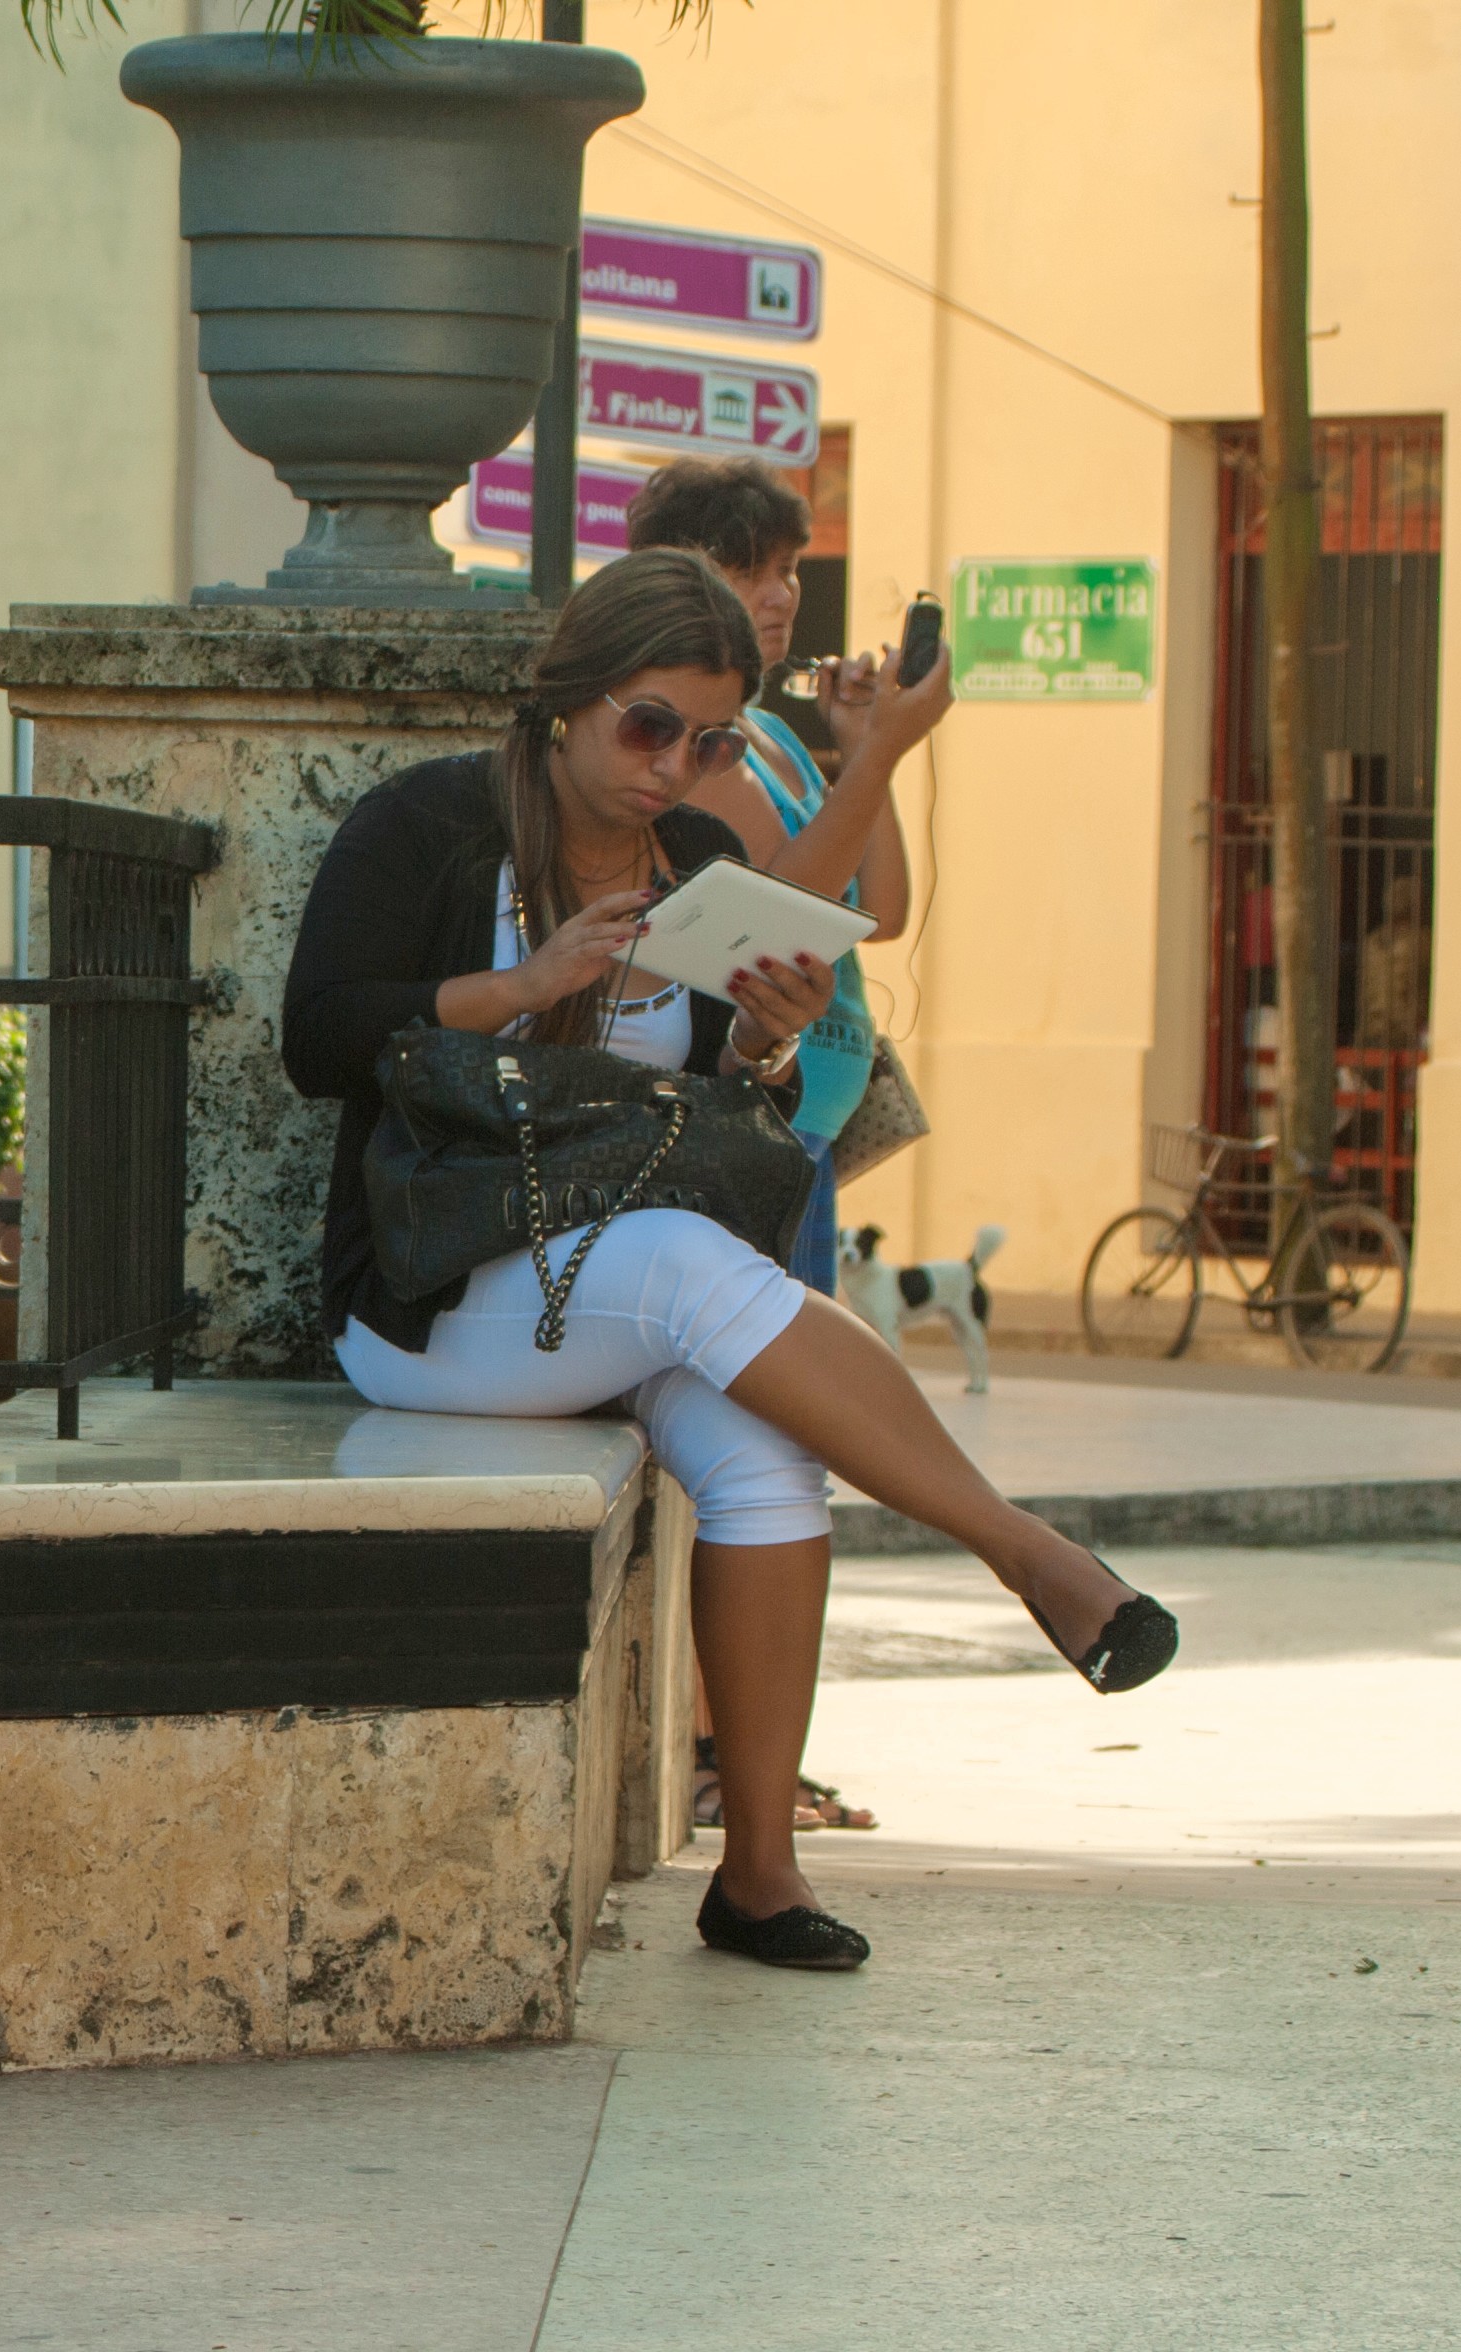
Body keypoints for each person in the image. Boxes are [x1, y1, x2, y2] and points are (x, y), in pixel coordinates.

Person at [280, 547, 1179, 1974]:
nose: (671, 766)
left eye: (707, 740)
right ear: (565, 699)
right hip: (436, 1302)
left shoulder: (697, 863)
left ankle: (757, 1876)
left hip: (617, 1294)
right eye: (648, 727)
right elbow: (317, 1038)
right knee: (693, 1266)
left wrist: (764, 1029)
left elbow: (690, 1102)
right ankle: (1023, 1552)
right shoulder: (432, 827)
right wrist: (523, 987)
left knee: (765, 1456)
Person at [625, 457, 949, 1294]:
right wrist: (879, 746)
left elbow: (881, 912)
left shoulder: (773, 735)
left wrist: (858, 741)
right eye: (750, 571)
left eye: (790, 570)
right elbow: (786, 916)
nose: (780, 595)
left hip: (815, 1115)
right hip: (761, 1110)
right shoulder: (709, 741)